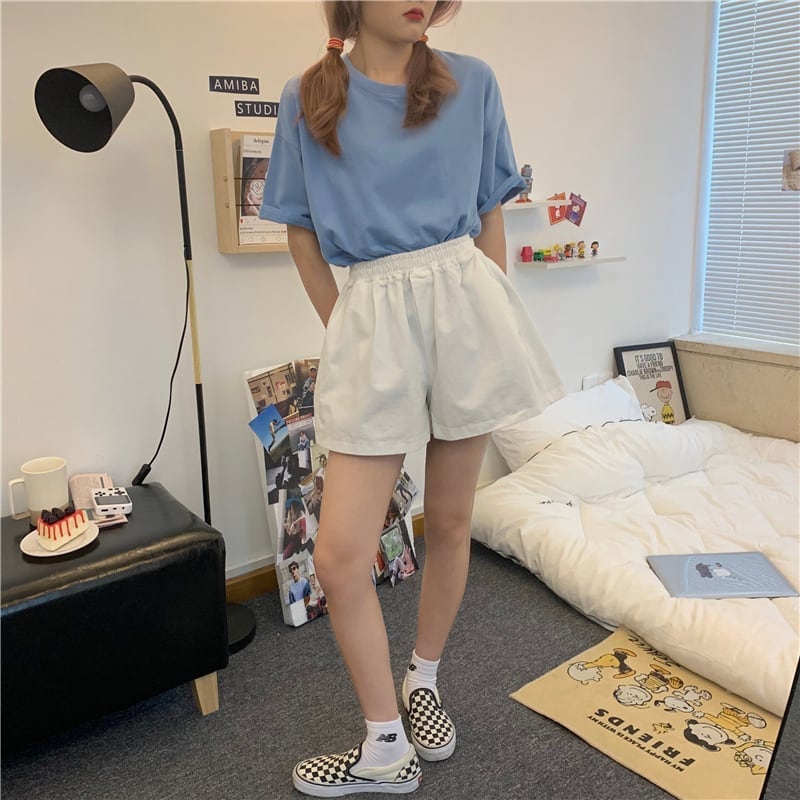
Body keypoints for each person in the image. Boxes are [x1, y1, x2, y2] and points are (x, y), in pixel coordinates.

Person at [260, 2, 564, 795]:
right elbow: (299, 229)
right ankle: (385, 745)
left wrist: (489, 313)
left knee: (453, 518)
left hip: (465, 306)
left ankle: (421, 679)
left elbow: (491, 209)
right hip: (372, 316)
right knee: (339, 557)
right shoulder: (308, 96)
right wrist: (347, 332)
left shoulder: (474, 83)